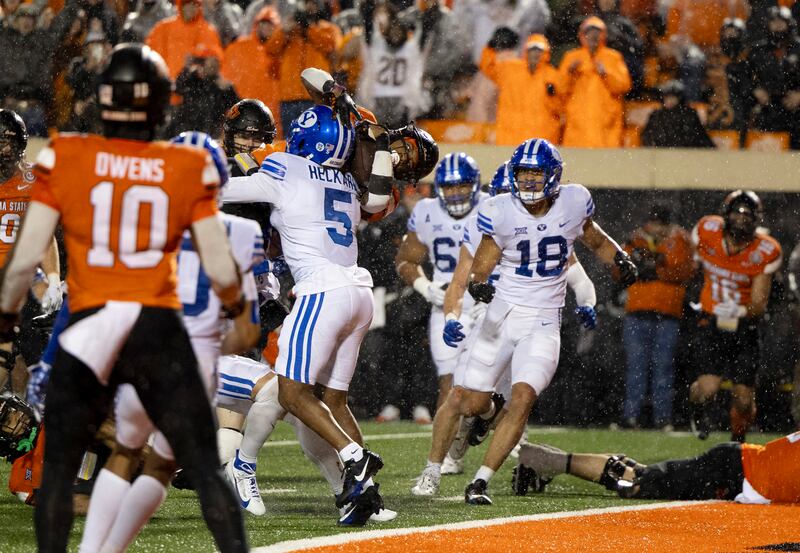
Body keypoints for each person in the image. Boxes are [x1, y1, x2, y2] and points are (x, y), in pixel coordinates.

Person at [0, 44, 248, 552]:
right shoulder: (183, 164)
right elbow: (220, 263)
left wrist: (6, 329)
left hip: (90, 324)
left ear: (103, 97)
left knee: (62, 466)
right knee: (202, 465)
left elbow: (26, 258)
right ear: (159, 103)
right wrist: (238, 310)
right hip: (156, 326)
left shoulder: (65, 155)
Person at [78, 132, 261, 553]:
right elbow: (248, 332)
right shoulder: (240, 232)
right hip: (193, 361)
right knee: (165, 466)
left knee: (124, 453)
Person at [437, 138, 637, 505]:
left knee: (524, 397)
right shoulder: (500, 210)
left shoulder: (573, 202)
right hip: (504, 315)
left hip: (544, 321)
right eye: (523, 175)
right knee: (470, 402)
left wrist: (618, 258)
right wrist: (479, 286)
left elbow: (593, 239)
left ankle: (480, 481)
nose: (528, 182)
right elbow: (482, 263)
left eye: (536, 175)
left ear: (553, 176)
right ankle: (485, 416)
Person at [221, 104, 395, 524]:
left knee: (290, 393)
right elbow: (378, 200)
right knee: (330, 401)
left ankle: (350, 461)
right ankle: (362, 495)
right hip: (356, 292)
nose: (255, 144)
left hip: (313, 291)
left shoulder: (284, 166)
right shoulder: (349, 182)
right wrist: (378, 144)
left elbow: (222, 188)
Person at [410, 161, 600, 493]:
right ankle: (440, 461)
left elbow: (576, 272)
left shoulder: (542, 229)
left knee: (519, 394)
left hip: (524, 319)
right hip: (486, 318)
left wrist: (587, 303)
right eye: (497, 197)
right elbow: (459, 282)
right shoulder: (484, 226)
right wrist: (452, 318)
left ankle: (492, 436)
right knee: (464, 398)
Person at [689, 190, 782, 443]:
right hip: (711, 321)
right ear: (726, 214)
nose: (742, 219)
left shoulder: (765, 249)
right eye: (738, 213)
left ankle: (737, 443)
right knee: (707, 390)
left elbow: (759, 304)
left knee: (743, 400)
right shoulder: (706, 231)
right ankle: (697, 408)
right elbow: (689, 263)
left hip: (744, 326)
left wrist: (739, 311)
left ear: (757, 219)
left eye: (748, 215)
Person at [396, 152, 484, 415]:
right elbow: (405, 261)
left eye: (462, 185)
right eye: (449, 186)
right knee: (449, 383)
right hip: (445, 304)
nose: (456, 193)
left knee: (493, 382)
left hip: (486, 302)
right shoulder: (426, 211)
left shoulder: (492, 207)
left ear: (475, 184)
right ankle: (444, 454)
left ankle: (512, 439)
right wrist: (426, 288)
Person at [513, 431, 800, 504]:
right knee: (637, 482)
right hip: (736, 472)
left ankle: (545, 459)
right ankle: (543, 460)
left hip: (738, 465)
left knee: (641, 475)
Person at [0, 109, 62, 395]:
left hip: (22, 280)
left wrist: (53, 279)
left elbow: (45, 236)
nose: (4, 147)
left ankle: (18, 420)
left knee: (27, 354)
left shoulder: (35, 179)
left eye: (9, 140)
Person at [619, 205, 694, 430]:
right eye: (652, 222)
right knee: (636, 368)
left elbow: (684, 271)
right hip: (637, 312)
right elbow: (619, 270)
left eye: (660, 223)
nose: (655, 227)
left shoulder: (680, 239)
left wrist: (656, 269)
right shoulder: (634, 240)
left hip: (666, 313)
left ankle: (663, 419)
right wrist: (642, 265)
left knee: (663, 368)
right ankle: (631, 417)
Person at [265, 0, 342, 133]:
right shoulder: (290, 29)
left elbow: (330, 46)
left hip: (316, 95)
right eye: (306, 3)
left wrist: (308, 29)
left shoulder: (328, 28)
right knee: (290, 138)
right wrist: (285, 30)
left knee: (317, 135)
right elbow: (271, 49)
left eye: (313, 3)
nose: (309, 7)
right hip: (289, 97)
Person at [559, 17, 631, 148]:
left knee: (605, 164)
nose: (593, 36)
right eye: (589, 32)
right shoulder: (571, 57)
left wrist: (606, 74)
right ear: (582, 35)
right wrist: (569, 73)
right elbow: (561, 89)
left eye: (597, 32)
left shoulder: (613, 57)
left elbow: (623, 85)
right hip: (578, 126)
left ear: (603, 35)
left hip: (606, 126)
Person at [481, 34, 561, 146]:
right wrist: (490, 47)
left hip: (539, 140)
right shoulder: (510, 69)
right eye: (532, 49)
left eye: (539, 50)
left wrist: (553, 96)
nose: (536, 53)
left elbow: (560, 108)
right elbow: (488, 67)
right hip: (509, 137)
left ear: (546, 54)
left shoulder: (553, 76)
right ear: (526, 51)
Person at [222, 6, 281, 133]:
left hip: (272, 110)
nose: (266, 28)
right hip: (244, 109)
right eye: (263, 24)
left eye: (270, 25)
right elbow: (225, 78)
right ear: (256, 25)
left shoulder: (281, 51)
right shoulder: (239, 46)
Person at [748, 7, 800, 150]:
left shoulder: (798, 48)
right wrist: (756, 89)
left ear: (789, 24)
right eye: (774, 21)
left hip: (795, 106)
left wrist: (799, 95)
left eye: (781, 22)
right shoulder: (758, 51)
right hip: (768, 105)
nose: (777, 25)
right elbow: (745, 76)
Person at [168, 44, 240, 137]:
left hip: (211, 136)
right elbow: (177, 88)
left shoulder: (224, 87)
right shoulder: (192, 79)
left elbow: (238, 110)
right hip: (187, 134)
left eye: (214, 62)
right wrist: (186, 69)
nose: (210, 66)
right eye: (206, 61)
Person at [145, 0, 224, 79]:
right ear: (181, 6)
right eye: (187, 4)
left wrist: (197, 55)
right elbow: (151, 54)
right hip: (167, 81)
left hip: (193, 84)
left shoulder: (207, 30)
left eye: (194, 5)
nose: (191, 8)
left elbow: (215, 58)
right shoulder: (164, 27)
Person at [640, 80, 714, 148]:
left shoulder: (688, 114)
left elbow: (699, 136)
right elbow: (648, 137)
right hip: (663, 154)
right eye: (667, 97)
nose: (669, 100)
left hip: (684, 154)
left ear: (679, 98)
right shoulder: (657, 114)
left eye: (673, 97)